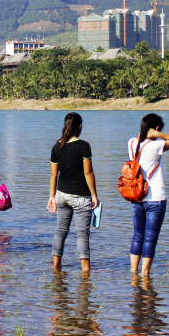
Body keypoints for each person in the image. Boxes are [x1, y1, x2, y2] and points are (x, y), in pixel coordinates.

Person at [127, 114, 169, 277]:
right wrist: (156, 135)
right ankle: (145, 275)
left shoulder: (131, 143)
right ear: (156, 129)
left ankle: (133, 273)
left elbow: (137, 139)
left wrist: (146, 133)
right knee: (150, 238)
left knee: (137, 235)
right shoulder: (156, 145)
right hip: (155, 198)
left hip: (137, 197)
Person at [47, 113, 98, 274]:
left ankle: (56, 266)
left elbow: (53, 175)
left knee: (60, 231)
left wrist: (52, 196)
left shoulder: (57, 146)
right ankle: (85, 270)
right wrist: (95, 196)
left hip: (61, 195)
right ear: (80, 126)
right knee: (82, 234)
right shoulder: (84, 146)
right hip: (81, 196)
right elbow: (88, 172)